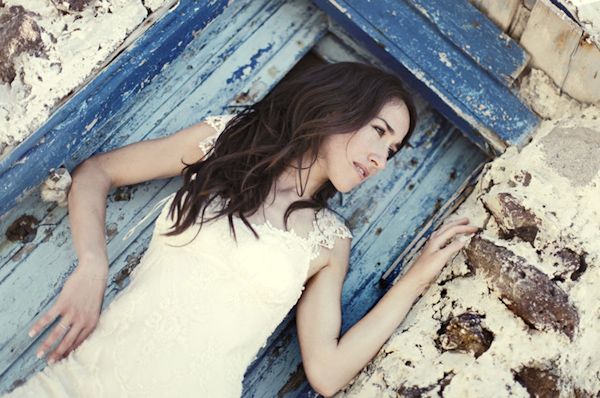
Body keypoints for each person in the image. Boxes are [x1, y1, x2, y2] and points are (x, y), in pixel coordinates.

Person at [7, 62, 477, 397]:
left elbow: (327, 372)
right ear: (339, 108)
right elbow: (95, 174)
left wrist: (416, 279)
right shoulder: (223, 142)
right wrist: (93, 267)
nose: (380, 159)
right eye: (379, 131)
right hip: (76, 385)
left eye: (393, 152)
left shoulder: (329, 241)